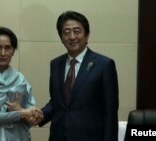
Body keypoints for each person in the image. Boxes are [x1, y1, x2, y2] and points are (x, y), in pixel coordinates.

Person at [38, 11, 119, 141]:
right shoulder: (55, 64)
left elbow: (110, 112)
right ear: (61, 37)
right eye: (66, 32)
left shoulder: (104, 65)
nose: (72, 37)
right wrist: (39, 115)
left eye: (77, 31)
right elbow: (57, 103)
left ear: (86, 35)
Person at [0, 27, 40, 141]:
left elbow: (30, 110)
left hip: (18, 136)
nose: (3, 53)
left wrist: (34, 116)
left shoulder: (20, 79)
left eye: (8, 48)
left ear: (13, 51)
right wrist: (21, 114)